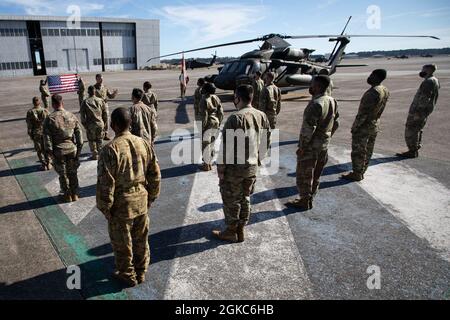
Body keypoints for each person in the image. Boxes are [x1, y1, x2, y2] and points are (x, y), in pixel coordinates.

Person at [96, 107, 161, 287]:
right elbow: (155, 173)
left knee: (122, 242)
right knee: (141, 239)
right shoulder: (143, 143)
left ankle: (127, 274)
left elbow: (105, 184)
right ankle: (141, 272)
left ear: (113, 125)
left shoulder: (110, 149)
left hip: (121, 204)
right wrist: (152, 197)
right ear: (130, 123)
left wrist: (105, 208)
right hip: (141, 199)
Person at [213, 85, 270, 243]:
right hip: (251, 167)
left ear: (237, 98)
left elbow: (226, 147)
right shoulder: (261, 115)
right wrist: (258, 160)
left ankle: (232, 231)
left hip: (235, 169)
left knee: (231, 200)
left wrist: (221, 169)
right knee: (245, 197)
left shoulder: (235, 118)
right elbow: (266, 141)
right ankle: (241, 229)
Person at [287, 75, 339, 210]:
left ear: (318, 86)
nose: (310, 87)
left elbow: (308, 129)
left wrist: (302, 147)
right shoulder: (332, 100)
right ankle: (311, 197)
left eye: (312, 84)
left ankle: (304, 200)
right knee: (316, 174)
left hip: (311, 147)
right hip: (323, 145)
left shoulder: (315, 104)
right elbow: (336, 123)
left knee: (304, 174)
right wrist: (327, 137)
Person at [342, 69, 390, 181]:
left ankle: (357, 173)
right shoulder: (385, 90)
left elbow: (363, 112)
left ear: (377, 77)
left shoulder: (373, 92)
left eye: (372, 75)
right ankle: (362, 170)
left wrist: (356, 127)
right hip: (374, 124)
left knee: (359, 150)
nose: (370, 77)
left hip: (365, 125)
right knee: (368, 149)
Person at [43, 94, 83, 203]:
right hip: (71, 149)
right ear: (62, 102)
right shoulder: (71, 116)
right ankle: (75, 194)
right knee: (73, 172)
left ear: (53, 104)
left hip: (58, 150)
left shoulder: (50, 119)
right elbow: (80, 138)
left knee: (63, 174)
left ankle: (67, 194)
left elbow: (47, 140)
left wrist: (50, 154)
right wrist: (78, 151)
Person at [396, 64, 440, 159]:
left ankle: (412, 151)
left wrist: (418, 112)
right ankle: (415, 148)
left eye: (423, 69)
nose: (421, 71)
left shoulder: (428, 82)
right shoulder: (435, 80)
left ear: (428, 70)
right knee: (418, 129)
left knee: (411, 129)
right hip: (425, 110)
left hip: (419, 111)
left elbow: (425, 98)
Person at [199, 82, 224, 171]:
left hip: (208, 122)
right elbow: (221, 112)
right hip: (216, 122)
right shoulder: (216, 98)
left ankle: (206, 165)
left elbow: (204, 115)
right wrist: (219, 122)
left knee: (206, 144)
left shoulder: (204, 100)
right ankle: (209, 162)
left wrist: (202, 126)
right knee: (212, 143)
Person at [80, 85, 108, 160]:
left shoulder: (85, 102)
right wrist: (104, 123)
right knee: (99, 139)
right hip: (100, 123)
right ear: (95, 91)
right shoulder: (100, 100)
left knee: (92, 140)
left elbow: (82, 116)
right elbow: (105, 113)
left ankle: (94, 154)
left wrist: (85, 125)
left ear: (88, 92)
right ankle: (100, 152)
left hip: (90, 124)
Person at [26, 97, 50, 170]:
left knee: (39, 149)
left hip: (36, 132)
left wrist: (30, 134)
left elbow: (29, 125)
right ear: (40, 102)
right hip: (45, 132)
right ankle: (48, 163)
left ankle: (43, 164)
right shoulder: (45, 110)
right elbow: (49, 122)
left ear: (33, 103)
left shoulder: (30, 112)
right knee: (46, 147)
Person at [93, 74, 119, 141]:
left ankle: (106, 134)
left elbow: (110, 96)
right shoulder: (94, 88)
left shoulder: (105, 87)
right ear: (96, 79)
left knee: (106, 120)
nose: (101, 80)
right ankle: (99, 134)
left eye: (102, 78)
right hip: (97, 107)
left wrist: (114, 94)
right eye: (100, 79)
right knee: (98, 121)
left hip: (105, 106)